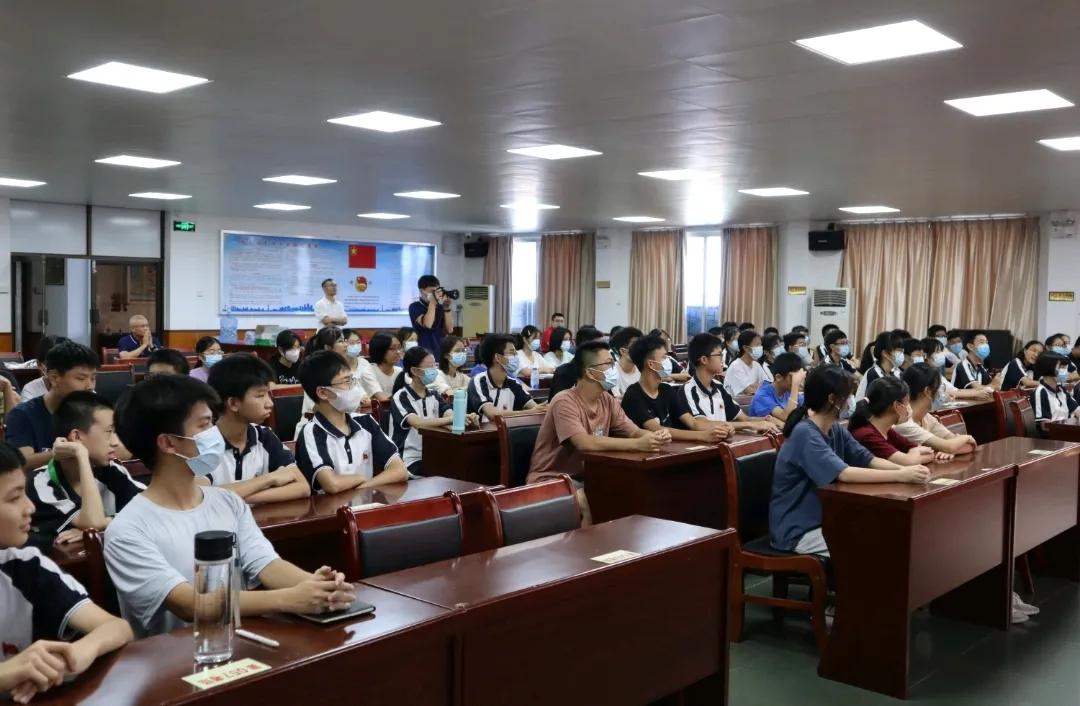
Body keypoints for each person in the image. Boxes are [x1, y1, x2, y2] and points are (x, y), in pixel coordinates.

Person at [106, 374, 355, 636]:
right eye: (204, 425)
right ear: (168, 443)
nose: (215, 434)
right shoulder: (127, 530)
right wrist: (289, 599)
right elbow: (190, 604)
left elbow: (265, 564)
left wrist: (319, 587)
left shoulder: (227, 502)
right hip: (177, 656)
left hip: (240, 642)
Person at [0, 442, 133, 704]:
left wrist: (77, 652)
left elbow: (118, 628)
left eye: (24, 494)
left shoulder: (26, 566)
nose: (30, 507)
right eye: (14, 498)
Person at [769, 365, 929, 556]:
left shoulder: (834, 428)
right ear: (832, 399)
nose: (850, 401)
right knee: (876, 546)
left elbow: (868, 459)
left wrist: (905, 471)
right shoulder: (805, 433)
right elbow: (844, 473)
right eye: (847, 395)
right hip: (798, 530)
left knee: (887, 532)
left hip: (826, 520)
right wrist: (900, 474)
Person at [527, 341, 669, 517]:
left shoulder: (607, 399)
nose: (613, 369)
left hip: (589, 476)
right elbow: (584, 443)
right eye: (608, 364)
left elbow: (633, 431)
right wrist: (638, 444)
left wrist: (654, 436)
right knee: (586, 501)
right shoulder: (564, 401)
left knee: (634, 489)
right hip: (551, 479)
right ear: (590, 372)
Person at [25, 392, 144, 550]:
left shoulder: (110, 469)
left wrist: (105, 524)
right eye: (109, 432)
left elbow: (151, 509)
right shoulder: (40, 483)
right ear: (76, 437)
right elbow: (93, 522)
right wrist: (81, 455)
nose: (116, 442)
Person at [295, 351, 408, 494]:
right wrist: (362, 478)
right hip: (332, 507)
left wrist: (365, 485)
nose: (355, 388)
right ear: (323, 392)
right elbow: (332, 484)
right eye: (347, 381)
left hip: (366, 503)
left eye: (353, 380)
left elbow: (400, 470)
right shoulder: (312, 432)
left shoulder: (365, 421)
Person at [204, 355, 309, 503]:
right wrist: (269, 479)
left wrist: (239, 497)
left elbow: (303, 487)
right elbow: (199, 495)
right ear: (233, 403)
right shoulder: (202, 443)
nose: (270, 403)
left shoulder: (264, 436)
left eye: (268, 394)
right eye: (260, 395)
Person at [621, 336, 731, 443]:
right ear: (651, 364)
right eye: (664, 357)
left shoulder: (666, 390)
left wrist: (724, 428)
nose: (668, 361)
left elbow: (692, 423)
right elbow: (656, 429)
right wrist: (702, 436)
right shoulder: (633, 395)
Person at [7, 342, 99, 471]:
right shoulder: (23, 414)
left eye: (93, 378)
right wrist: (61, 453)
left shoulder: (95, 410)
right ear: (54, 378)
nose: (90, 386)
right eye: (81, 378)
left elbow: (119, 449)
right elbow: (22, 462)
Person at [391, 347, 478, 476]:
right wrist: (453, 419)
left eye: (434, 365)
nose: (434, 370)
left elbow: (449, 414)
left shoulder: (434, 394)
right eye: (429, 367)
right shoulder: (401, 396)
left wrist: (466, 419)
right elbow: (419, 424)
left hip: (435, 453)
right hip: (409, 459)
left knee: (469, 465)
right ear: (415, 370)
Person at [675, 333, 780, 434]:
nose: (723, 359)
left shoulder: (718, 387)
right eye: (719, 355)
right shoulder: (689, 389)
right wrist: (750, 425)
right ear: (704, 360)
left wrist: (766, 420)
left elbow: (743, 419)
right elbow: (701, 424)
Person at [847, 377, 938, 465]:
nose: (909, 407)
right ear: (896, 406)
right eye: (907, 402)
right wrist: (914, 454)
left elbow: (928, 452)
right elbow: (909, 462)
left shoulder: (888, 431)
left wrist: (914, 454)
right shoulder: (866, 435)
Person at [895, 363, 978, 455]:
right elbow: (949, 446)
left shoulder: (926, 417)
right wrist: (966, 438)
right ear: (927, 391)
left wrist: (951, 450)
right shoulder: (902, 422)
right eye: (941, 387)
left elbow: (967, 445)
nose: (942, 393)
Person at [467, 334, 542, 421]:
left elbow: (535, 407)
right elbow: (493, 414)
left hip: (507, 429)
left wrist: (542, 408)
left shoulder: (513, 383)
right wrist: (529, 412)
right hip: (482, 429)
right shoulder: (479, 381)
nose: (516, 356)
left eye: (516, 353)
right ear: (498, 358)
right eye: (512, 353)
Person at [549, 326, 604, 400]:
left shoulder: (600, 371)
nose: (603, 351)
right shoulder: (564, 373)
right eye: (599, 347)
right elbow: (559, 403)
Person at [749, 352, 806, 421]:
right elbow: (787, 418)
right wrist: (795, 386)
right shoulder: (762, 396)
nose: (797, 380)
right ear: (778, 377)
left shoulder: (787, 391)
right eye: (793, 377)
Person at [408, 275, 455, 356]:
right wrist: (433, 302)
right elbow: (428, 324)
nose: (435, 295)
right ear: (421, 290)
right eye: (432, 291)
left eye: (437, 291)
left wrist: (446, 308)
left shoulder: (440, 308)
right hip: (423, 351)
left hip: (440, 350)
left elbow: (449, 330)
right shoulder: (414, 307)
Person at [1032, 352, 1080, 428]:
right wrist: (1069, 424)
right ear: (1048, 367)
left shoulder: (1061, 389)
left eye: (1065, 368)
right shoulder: (1040, 392)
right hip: (1054, 434)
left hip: (1067, 430)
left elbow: (1077, 410)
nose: (1065, 372)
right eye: (1061, 367)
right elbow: (1045, 426)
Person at [854, 331, 905, 401]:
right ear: (885, 353)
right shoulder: (873, 374)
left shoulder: (898, 373)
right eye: (898, 351)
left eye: (902, 351)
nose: (902, 355)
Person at [19, 335, 67, 403]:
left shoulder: (76, 386)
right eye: (52, 364)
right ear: (39, 365)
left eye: (62, 364)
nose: (57, 369)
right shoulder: (30, 390)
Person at [342, 329, 385, 401]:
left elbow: (374, 387)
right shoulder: (336, 365)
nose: (356, 345)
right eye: (352, 343)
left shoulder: (363, 363)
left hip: (366, 403)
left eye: (358, 342)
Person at [724, 330, 768, 396]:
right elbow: (749, 390)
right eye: (757, 345)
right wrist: (757, 386)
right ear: (746, 348)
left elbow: (767, 386)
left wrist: (755, 386)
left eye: (760, 344)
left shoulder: (756, 365)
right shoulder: (736, 366)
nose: (760, 347)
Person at [610, 327, 644, 397]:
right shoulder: (612, 372)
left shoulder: (642, 370)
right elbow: (617, 399)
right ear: (623, 351)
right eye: (635, 346)